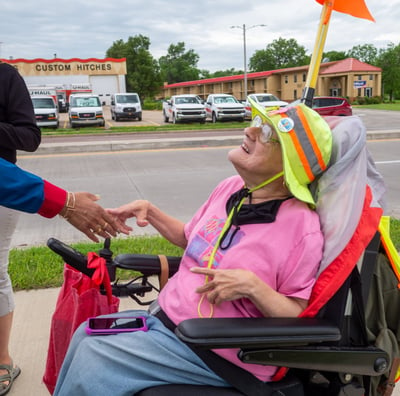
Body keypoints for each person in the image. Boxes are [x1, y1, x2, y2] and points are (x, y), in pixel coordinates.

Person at [53, 101, 333, 396]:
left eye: (267, 132)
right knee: (85, 333)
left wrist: (254, 287)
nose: (250, 130)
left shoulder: (302, 228)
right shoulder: (232, 189)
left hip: (216, 350)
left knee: (93, 359)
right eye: (257, 122)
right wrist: (150, 210)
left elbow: (298, 312)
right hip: (170, 323)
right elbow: (191, 239)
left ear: (290, 164)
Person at [0, 62, 130, 396]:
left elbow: (29, 137)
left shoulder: (5, 75)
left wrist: (64, 202)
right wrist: (64, 202)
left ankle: (1, 360)